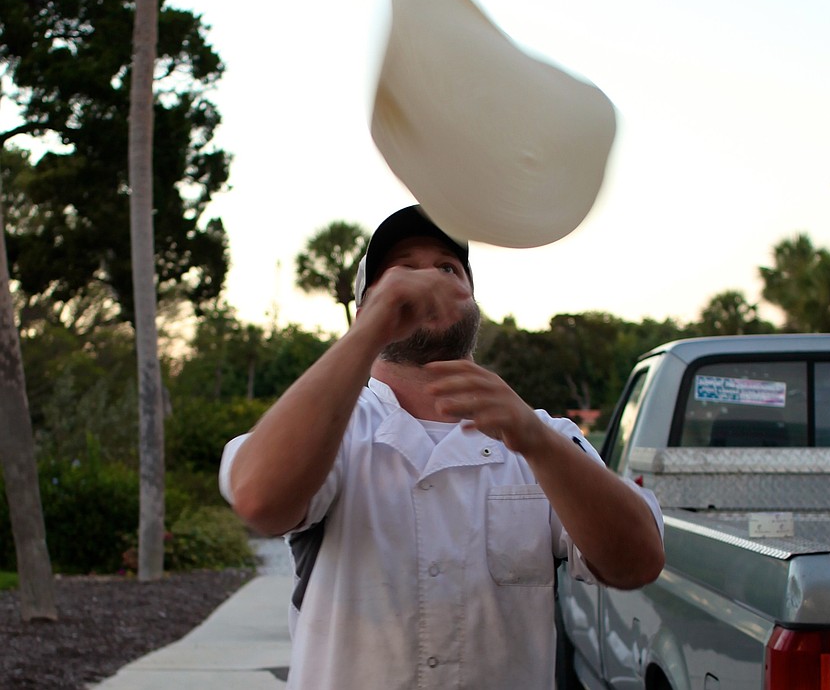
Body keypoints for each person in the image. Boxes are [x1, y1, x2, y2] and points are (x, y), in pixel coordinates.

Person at [220, 205, 665, 689]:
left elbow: (638, 562)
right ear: (364, 306)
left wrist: (535, 441)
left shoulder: (544, 439)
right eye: (403, 270)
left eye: (447, 268)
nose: (428, 277)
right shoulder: (334, 432)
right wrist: (372, 328)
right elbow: (258, 498)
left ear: (472, 299)